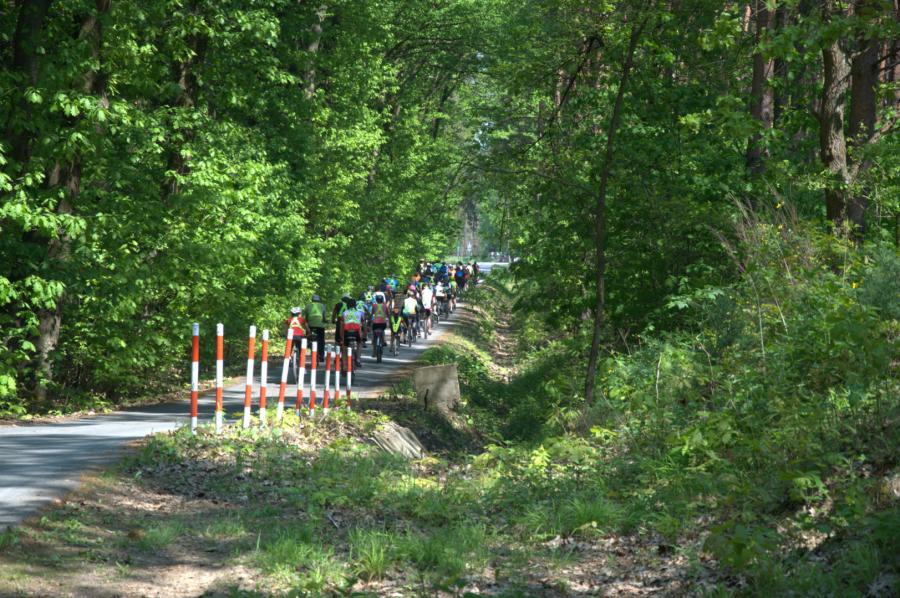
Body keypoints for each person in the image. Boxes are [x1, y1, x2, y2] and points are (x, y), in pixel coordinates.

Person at [286, 307, 309, 379]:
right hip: (300, 337)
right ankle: (303, 367)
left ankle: (288, 358)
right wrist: (309, 334)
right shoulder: (302, 320)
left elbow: (286, 329)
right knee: (302, 350)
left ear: (291, 314)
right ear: (299, 314)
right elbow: (307, 328)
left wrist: (285, 335)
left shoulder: (289, 320)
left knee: (289, 348)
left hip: (291, 337)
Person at [341, 298, 364, 367]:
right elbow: (362, 323)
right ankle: (358, 359)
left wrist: (342, 337)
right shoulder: (359, 313)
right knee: (359, 343)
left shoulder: (344, 313)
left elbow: (342, 326)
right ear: (355, 305)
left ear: (347, 305)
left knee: (344, 347)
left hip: (347, 332)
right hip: (356, 333)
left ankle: (345, 365)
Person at [304, 294, 327, 360]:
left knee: (309, 338)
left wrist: (307, 322)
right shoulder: (322, 306)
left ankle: (310, 348)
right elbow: (324, 317)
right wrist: (325, 321)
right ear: (319, 300)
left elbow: (306, 317)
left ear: (312, 300)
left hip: (310, 325)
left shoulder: (308, 306)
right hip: (320, 326)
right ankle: (321, 356)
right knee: (321, 340)